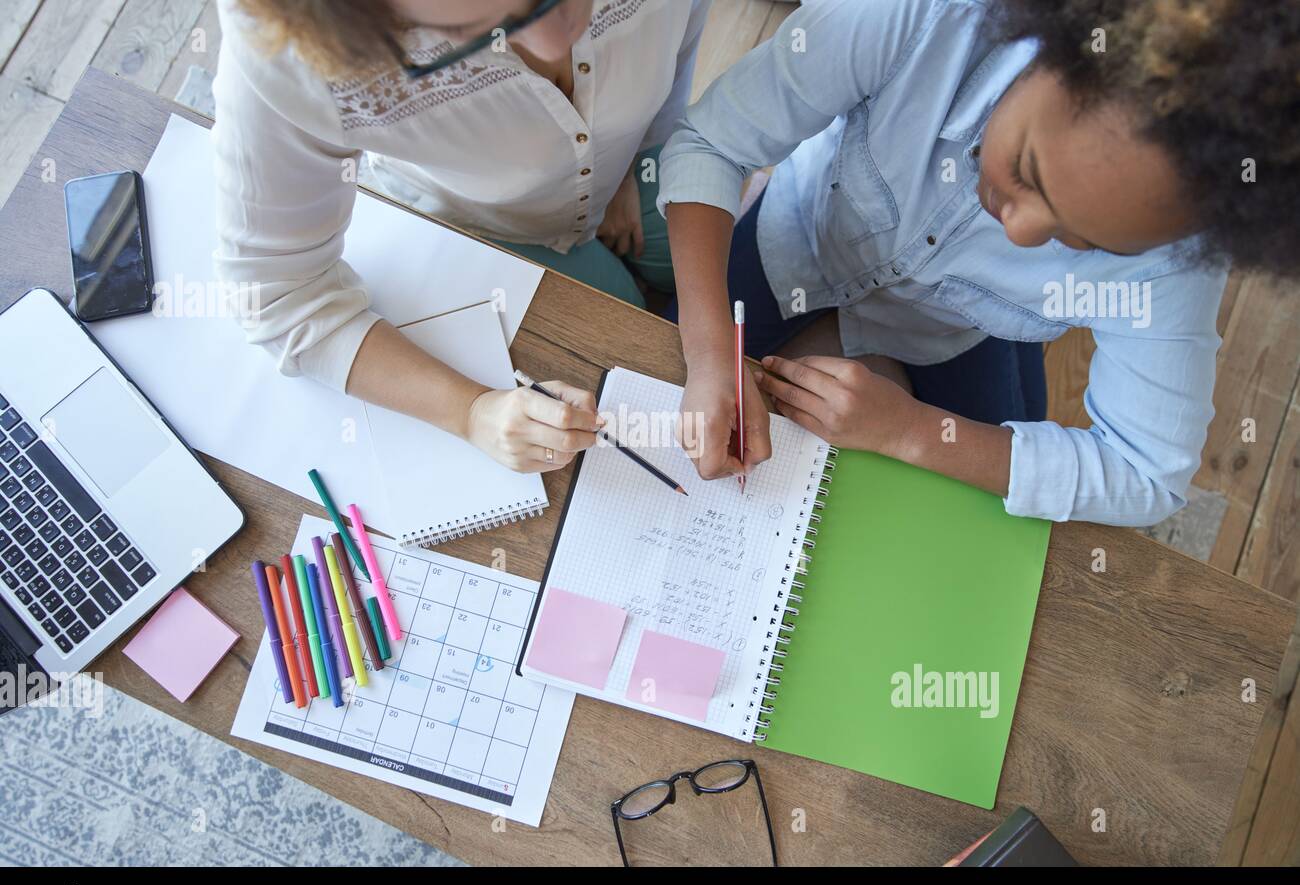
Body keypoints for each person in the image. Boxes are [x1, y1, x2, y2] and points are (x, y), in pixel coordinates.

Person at [660, 0, 1299, 525]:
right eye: (1027, 171)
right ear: (1051, 43)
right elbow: (711, 143)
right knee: (661, 379)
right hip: (796, 240)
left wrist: (911, 432)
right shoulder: (920, 15)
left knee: (967, 516)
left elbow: (1145, 474)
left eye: (1086, 242)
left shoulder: (1179, 256)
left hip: (956, 329)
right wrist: (714, 355)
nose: (1021, 234)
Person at [213, 0, 710, 473]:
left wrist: (634, 154)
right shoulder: (288, 49)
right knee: (622, 330)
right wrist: (471, 412)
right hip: (487, 222)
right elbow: (280, 297)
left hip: (636, 163)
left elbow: (678, 43)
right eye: (463, 34)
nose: (560, 38)